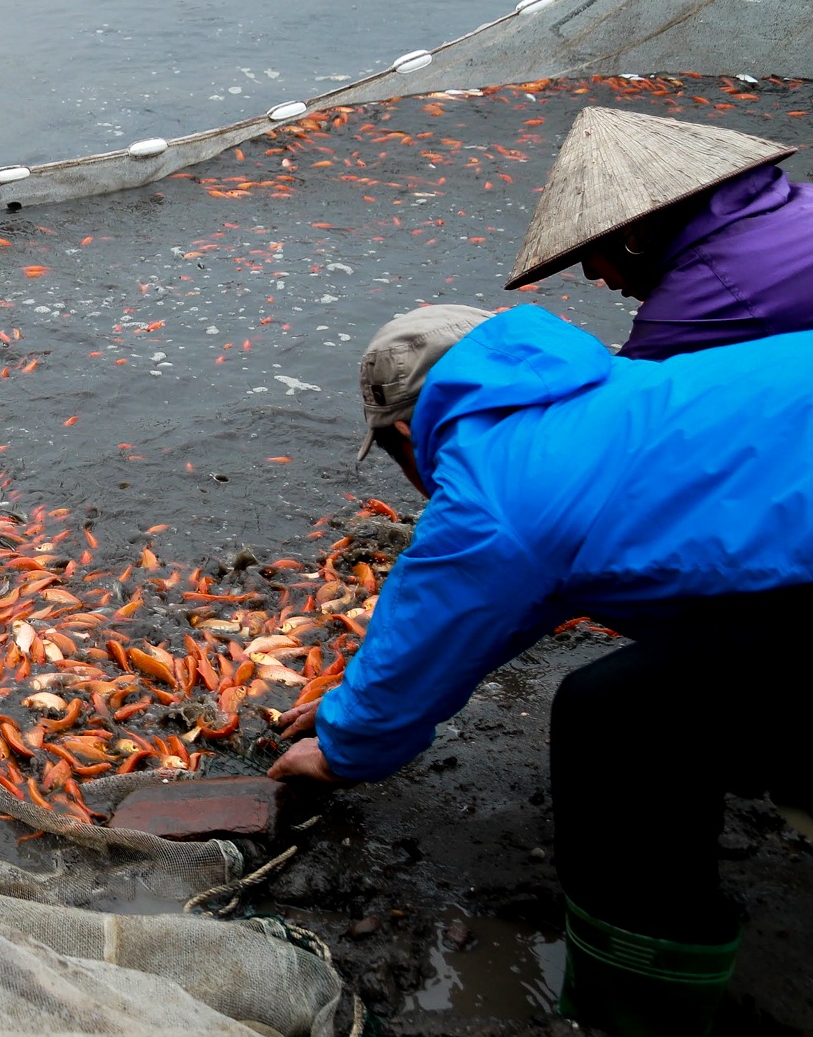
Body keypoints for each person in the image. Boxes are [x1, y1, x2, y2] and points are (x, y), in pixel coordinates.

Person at [269, 302, 812, 1037]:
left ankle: (640, 1007)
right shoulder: (601, 396)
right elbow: (507, 605)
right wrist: (347, 709)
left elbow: (447, 605)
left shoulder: (498, 489)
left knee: (613, 720)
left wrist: (344, 748)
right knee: (710, 663)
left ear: (406, 433)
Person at [506, 105, 813, 359]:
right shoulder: (805, 200)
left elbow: (622, 402)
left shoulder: (696, 297)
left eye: (586, 254)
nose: (590, 276)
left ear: (629, 234)